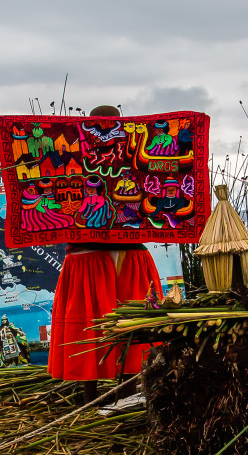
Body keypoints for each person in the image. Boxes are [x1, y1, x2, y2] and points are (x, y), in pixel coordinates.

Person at [47, 105, 163, 402]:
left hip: (120, 254)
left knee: (127, 322)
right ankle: (100, 399)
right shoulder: (121, 149)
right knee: (94, 323)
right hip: (94, 256)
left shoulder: (130, 150)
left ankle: (117, 397)